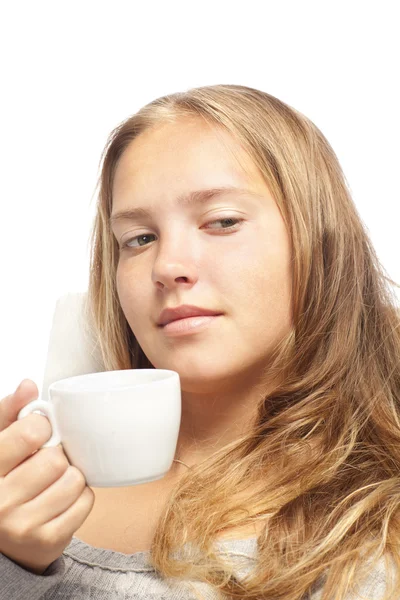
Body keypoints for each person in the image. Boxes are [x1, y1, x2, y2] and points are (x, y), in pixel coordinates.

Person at [0, 84, 399, 600]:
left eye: (222, 222)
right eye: (139, 239)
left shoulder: (375, 516)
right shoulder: (27, 496)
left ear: (317, 244)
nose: (166, 267)